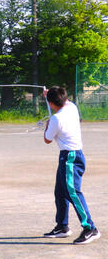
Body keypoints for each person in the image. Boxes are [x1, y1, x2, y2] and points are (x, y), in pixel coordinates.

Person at [43, 86, 100, 245]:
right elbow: (61, 103)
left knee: (72, 192)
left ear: (52, 103)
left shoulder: (56, 119)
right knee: (60, 191)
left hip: (70, 157)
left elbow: (47, 139)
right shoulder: (72, 106)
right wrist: (49, 97)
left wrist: (48, 124)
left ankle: (90, 228)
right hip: (70, 156)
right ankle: (62, 226)